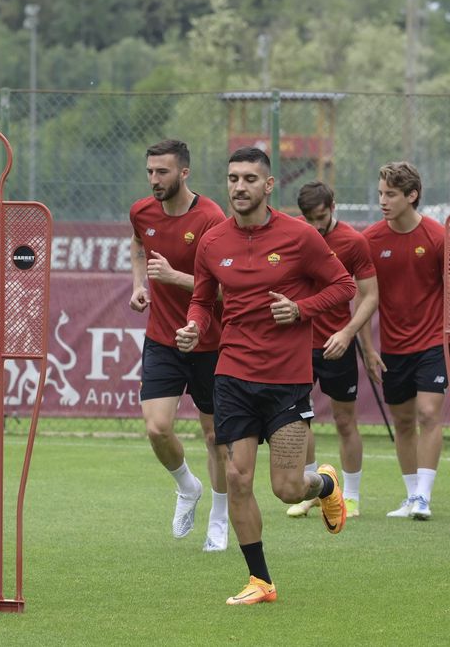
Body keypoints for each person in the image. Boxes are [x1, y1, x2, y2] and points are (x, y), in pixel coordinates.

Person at [176, 146, 355, 605]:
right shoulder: (214, 242)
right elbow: (201, 296)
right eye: (233, 178)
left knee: (287, 488)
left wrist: (300, 309)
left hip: (287, 380)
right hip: (232, 374)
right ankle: (261, 581)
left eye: (250, 179)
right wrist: (195, 325)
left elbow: (344, 286)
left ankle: (326, 485)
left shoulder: (300, 238)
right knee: (237, 478)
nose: (239, 187)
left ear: (268, 185)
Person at [128, 139, 229, 551]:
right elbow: (138, 244)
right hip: (163, 338)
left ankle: (220, 520)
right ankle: (187, 486)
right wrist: (139, 283)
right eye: (150, 171)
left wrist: (174, 278)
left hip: (211, 341)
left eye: (163, 172)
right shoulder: (141, 211)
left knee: (215, 436)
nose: (154, 179)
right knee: (156, 428)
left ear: (184, 173)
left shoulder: (211, 217)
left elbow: (225, 288)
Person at [358, 161, 447, 520]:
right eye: (380, 193)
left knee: (428, 413)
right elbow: (361, 298)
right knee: (404, 421)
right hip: (392, 349)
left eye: (391, 194)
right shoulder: (370, 240)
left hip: (432, 343)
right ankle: (411, 497)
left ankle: (424, 497)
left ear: (412, 196)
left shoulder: (437, 237)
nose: (383, 200)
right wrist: (367, 348)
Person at [285, 181, 378, 519]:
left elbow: (369, 296)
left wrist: (348, 333)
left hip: (337, 345)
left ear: (333, 206)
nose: (315, 225)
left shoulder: (354, 242)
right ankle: (311, 491)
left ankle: (350, 496)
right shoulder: (291, 234)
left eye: (321, 217)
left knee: (344, 421)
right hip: (296, 346)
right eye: (308, 218)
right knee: (299, 421)